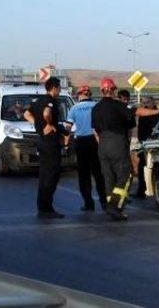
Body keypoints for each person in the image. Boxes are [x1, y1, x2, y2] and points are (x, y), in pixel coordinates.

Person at [91, 78, 137, 221]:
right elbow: (132, 119)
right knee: (126, 175)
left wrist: (101, 143)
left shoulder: (95, 108)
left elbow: (95, 130)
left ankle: (111, 205)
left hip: (102, 145)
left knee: (109, 178)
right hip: (117, 143)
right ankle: (115, 206)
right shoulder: (119, 106)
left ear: (102, 90)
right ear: (113, 90)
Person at [24, 77, 69, 219]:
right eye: (59, 88)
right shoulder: (50, 101)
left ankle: (42, 207)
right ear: (54, 88)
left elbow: (26, 114)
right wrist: (48, 124)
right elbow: (46, 113)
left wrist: (39, 126)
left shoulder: (38, 100)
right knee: (52, 175)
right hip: (50, 143)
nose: (60, 90)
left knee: (44, 175)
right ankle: (46, 208)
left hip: (42, 141)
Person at [65, 85, 107, 211]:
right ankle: (104, 202)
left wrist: (65, 142)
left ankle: (89, 203)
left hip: (81, 143)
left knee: (84, 175)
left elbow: (68, 127)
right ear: (90, 94)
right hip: (96, 141)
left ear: (79, 95)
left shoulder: (74, 108)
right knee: (98, 173)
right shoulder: (97, 106)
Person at [135, 96, 159, 198]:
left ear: (153, 102)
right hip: (145, 144)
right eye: (144, 103)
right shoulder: (143, 115)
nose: (146, 105)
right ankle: (141, 190)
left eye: (147, 102)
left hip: (157, 144)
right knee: (142, 166)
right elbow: (140, 131)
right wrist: (142, 142)